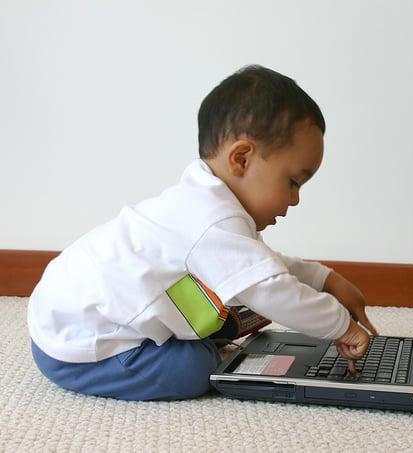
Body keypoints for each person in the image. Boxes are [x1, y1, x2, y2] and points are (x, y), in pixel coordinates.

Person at [27, 65, 378, 401]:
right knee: (195, 368)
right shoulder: (211, 223)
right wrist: (340, 326)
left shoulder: (205, 203)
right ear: (241, 159)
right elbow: (270, 288)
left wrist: (324, 279)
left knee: (227, 306)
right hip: (81, 344)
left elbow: (262, 266)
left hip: (70, 315)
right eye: (293, 182)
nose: (295, 199)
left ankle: (206, 331)